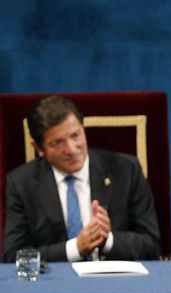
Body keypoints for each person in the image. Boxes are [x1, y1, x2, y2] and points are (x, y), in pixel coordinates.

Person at [3, 95, 161, 262]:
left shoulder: (126, 170)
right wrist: (75, 248)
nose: (71, 149)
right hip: (56, 284)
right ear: (39, 148)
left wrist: (107, 239)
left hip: (116, 282)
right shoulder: (21, 184)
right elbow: (13, 257)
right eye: (58, 143)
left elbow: (152, 247)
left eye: (75, 135)